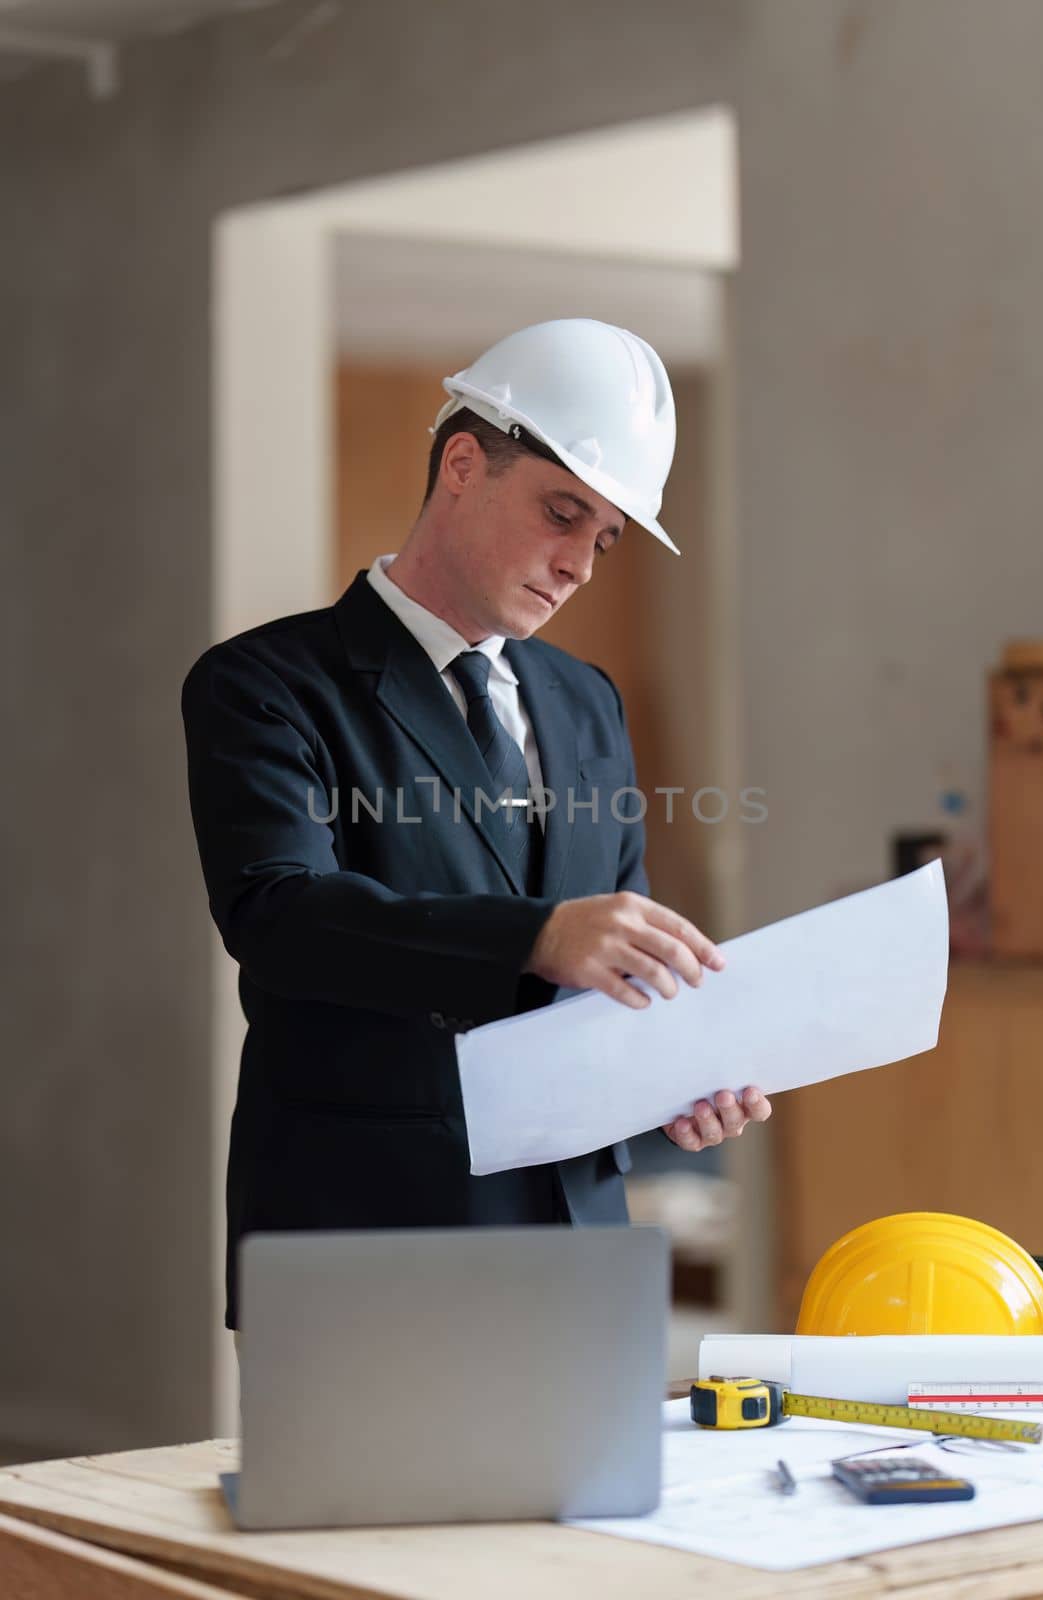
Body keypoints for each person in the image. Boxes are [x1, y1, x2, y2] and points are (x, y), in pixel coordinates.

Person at [181, 319, 772, 1332]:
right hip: (363, 1242)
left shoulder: (588, 702)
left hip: (575, 1249)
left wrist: (672, 1079)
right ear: (462, 464)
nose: (579, 563)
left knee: (586, 1500)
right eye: (560, 512)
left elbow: (605, 969)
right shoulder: (266, 685)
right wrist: (534, 937)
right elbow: (278, 915)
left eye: (604, 537)